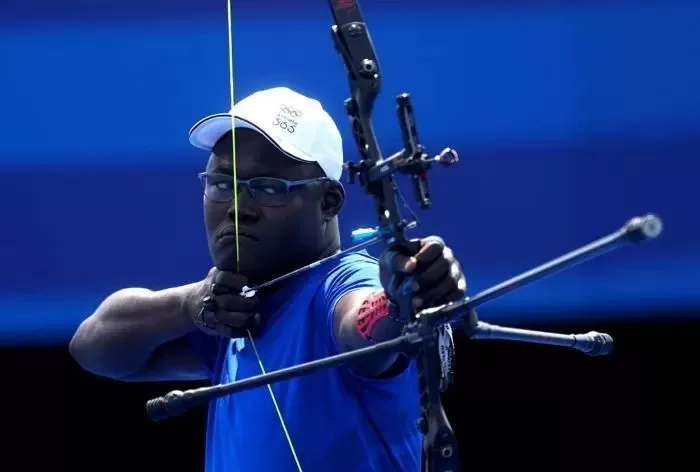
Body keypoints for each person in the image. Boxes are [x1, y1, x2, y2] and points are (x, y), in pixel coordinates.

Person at [69, 86, 467, 472]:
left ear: (329, 201)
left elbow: (363, 321)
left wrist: (401, 300)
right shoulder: (233, 312)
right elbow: (94, 349)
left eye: (268, 189)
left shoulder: (337, 286)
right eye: (222, 185)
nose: (238, 209)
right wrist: (188, 305)